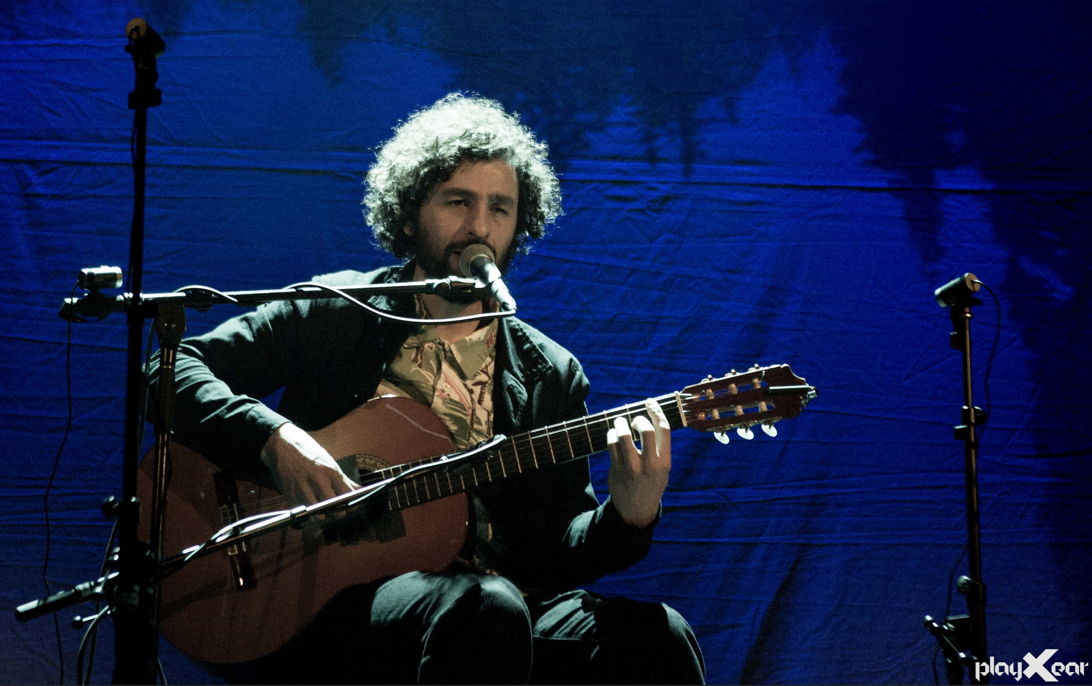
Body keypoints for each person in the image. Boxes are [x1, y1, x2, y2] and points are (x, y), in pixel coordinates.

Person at [159, 93, 704, 684]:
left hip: (497, 605)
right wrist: (274, 440)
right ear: (410, 211)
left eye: (501, 208)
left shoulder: (549, 373)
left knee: (658, 639)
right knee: (484, 607)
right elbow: (170, 369)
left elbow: (556, 549)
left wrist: (627, 516)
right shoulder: (340, 311)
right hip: (327, 599)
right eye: (458, 201)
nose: (480, 227)